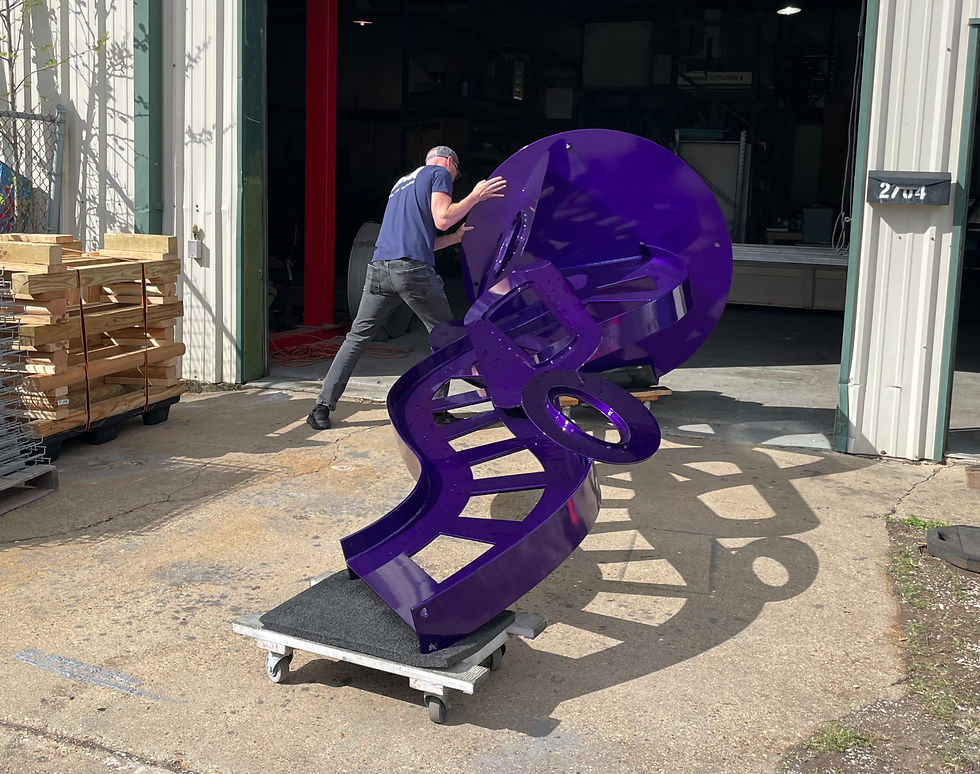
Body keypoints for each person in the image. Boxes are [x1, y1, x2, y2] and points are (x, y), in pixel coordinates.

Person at [307, 145, 507, 430]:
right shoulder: (439, 173)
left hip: (379, 270)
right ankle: (438, 410)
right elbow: (443, 218)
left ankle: (322, 407)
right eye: (455, 174)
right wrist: (475, 197)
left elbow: (422, 240)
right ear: (450, 163)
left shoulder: (401, 185)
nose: (452, 180)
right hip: (413, 272)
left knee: (356, 339)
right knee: (447, 339)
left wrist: (455, 238)